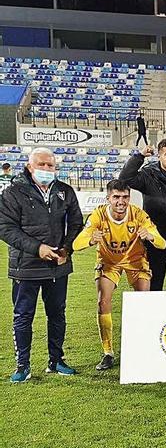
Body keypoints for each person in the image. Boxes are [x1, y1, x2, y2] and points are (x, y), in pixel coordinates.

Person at [0, 148, 83, 382]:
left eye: (51, 165)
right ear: (30, 166)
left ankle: (56, 360)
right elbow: (5, 228)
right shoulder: (13, 193)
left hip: (58, 266)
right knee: (23, 316)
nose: (47, 169)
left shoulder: (65, 191)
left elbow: (76, 222)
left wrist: (67, 248)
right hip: (25, 266)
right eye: (42, 165)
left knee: (57, 314)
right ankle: (22, 366)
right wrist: (38, 248)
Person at [72, 180, 165, 370]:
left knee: (143, 302)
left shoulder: (138, 214)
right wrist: (90, 240)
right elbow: (76, 244)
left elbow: (162, 243)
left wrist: (151, 236)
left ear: (129, 198)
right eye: (116, 197)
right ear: (108, 198)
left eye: (125, 197)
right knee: (103, 301)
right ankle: (108, 352)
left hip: (135, 261)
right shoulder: (98, 215)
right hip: (109, 261)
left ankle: (142, 347)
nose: (121, 201)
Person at [119, 139, 166, 291]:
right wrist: (140, 156)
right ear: (159, 156)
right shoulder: (148, 174)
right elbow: (124, 179)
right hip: (154, 239)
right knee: (154, 283)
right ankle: (155, 314)